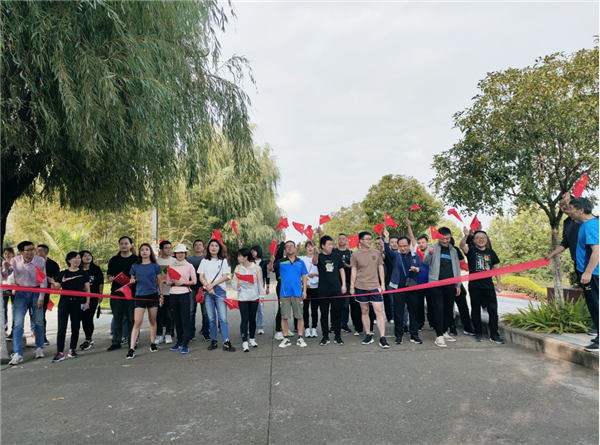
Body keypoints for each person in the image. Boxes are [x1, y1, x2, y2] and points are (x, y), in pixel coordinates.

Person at [3, 241, 47, 365]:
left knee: (39, 321)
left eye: (33, 249)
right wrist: (5, 267)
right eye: (28, 250)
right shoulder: (15, 261)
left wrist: (41, 297)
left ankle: (39, 347)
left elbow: (43, 280)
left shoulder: (40, 261)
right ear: (21, 252)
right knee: (18, 323)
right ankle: (18, 353)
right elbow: (5, 274)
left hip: (36, 291)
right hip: (20, 293)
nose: (31, 252)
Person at [459, 229, 504, 343]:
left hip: (488, 286)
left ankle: (494, 334)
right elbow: (462, 245)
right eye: (478, 238)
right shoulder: (471, 250)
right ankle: (478, 333)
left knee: (493, 310)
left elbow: (496, 269)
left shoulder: (491, 253)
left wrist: (499, 283)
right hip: (475, 286)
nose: (481, 240)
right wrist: (466, 235)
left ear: (486, 240)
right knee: (475, 310)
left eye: (483, 237)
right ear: (474, 240)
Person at [568, 197, 599, 352]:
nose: (569, 212)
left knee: (595, 305)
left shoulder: (589, 226)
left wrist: (587, 272)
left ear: (581, 210)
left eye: (571, 209)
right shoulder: (592, 222)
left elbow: (596, 252)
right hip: (594, 272)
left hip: (592, 273)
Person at [48, 252, 91, 362]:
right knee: (61, 327)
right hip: (64, 302)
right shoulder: (63, 274)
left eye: (78, 258)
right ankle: (60, 352)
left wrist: (87, 302)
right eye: (74, 258)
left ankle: (72, 349)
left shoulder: (83, 273)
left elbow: (87, 289)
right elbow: (57, 287)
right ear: (69, 260)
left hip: (78, 302)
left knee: (75, 327)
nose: (77, 260)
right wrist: (53, 283)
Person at [383, 229, 424, 345]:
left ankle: (414, 334)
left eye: (405, 246)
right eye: (400, 246)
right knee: (398, 311)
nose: (403, 248)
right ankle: (398, 335)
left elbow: (422, 268)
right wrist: (386, 239)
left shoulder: (415, 256)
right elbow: (387, 251)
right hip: (399, 287)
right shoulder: (396, 255)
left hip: (412, 287)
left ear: (409, 245)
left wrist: (417, 269)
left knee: (413, 311)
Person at [422, 227, 461, 348]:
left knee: (448, 309)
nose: (445, 241)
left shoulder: (453, 250)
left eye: (447, 238)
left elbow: (457, 268)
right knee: (438, 308)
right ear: (438, 237)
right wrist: (430, 253)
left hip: (450, 284)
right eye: (442, 238)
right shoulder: (432, 247)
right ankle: (439, 335)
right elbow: (425, 262)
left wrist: (458, 284)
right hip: (436, 284)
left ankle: (444, 332)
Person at [350, 231, 389, 348]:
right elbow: (354, 270)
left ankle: (382, 337)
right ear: (361, 241)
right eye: (367, 239)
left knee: (378, 311)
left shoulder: (376, 252)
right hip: (360, 286)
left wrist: (382, 284)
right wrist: (352, 286)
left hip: (374, 286)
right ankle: (368, 335)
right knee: (364, 310)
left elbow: (380, 267)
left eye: (370, 239)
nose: (370, 241)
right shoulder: (355, 254)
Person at [126, 243, 164, 359]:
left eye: (147, 249)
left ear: (150, 252)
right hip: (139, 296)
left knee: (153, 320)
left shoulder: (155, 265)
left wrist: (161, 295)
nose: (144, 251)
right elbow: (132, 279)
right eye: (142, 249)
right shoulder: (135, 266)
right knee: (137, 322)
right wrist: (132, 281)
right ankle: (131, 348)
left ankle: (152, 343)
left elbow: (159, 281)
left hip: (153, 295)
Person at [199, 239, 235, 352]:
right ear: (208, 248)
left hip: (220, 290)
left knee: (223, 318)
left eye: (216, 246)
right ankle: (214, 340)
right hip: (208, 291)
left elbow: (225, 276)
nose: (214, 247)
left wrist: (212, 285)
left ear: (219, 248)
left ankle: (226, 341)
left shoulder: (223, 261)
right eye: (212, 245)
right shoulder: (204, 261)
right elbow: (201, 277)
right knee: (211, 318)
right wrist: (208, 287)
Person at [271, 240, 308, 348]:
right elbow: (271, 269)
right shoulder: (281, 262)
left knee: (299, 316)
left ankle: (300, 338)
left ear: (295, 248)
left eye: (291, 246)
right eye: (287, 246)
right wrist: (271, 261)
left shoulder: (300, 262)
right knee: (284, 317)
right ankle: (286, 338)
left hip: (297, 293)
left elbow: (304, 277)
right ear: (285, 250)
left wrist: (304, 291)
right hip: (284, 293)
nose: (289, 248)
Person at [312, 235, 346, 345]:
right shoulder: (319, 256)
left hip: (336, 288)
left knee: (337, 313)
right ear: (323, 246)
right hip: (323, 289)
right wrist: (316, 253)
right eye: (329, 244)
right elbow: (314, 262)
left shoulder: (336, 256)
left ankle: (338, 336)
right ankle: (325, 336)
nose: (331, 246)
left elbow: (341, 270)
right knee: (324, 313)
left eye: (332, 244)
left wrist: (343, 285)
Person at [106, 236, 138, 352]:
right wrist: (110, 278)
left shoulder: (136, 259)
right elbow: (109, 273)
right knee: (117, 318)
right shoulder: (114, 259)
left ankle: (131, 341)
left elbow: (140, 274)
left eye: (126, 243)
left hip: (131, 292)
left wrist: (134, 280)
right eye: (121, 243)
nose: (124, 245)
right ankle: (116, 341)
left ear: (130, 245)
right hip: (117, 292)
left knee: (131, 318)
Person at [232, 248, 265, 352]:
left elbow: (260, 282)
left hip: (254, 296)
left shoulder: (256, 268)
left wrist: (262, 295)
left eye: (240, 256)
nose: (238, 258)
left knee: (252, 318)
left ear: (246, 257)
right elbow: (233, 282)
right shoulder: (238, 268)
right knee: (244, 319)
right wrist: (236, 285)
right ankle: (244, 342)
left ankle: (252, 339)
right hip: (242, 297)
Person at [166, 243, 197, 354]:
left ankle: (185, 343)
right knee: (176, 319)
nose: (180, 255)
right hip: (173, 293)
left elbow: (194, 281)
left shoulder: (189, 266)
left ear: (185, 254)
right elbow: (167, 281)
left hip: (184, 293)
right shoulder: (171, 266)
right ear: (175, 254)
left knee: (185, 319)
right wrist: (171, 281)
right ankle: (178, 341)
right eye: (178, 253)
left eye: (182, 253)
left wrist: (182, 282)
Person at [78, 250, 104, 350]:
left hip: (93, 297)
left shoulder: (96, 269)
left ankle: (88, 339)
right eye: (85, 256)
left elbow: (100, 282)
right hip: (80, 298)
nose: (88, 257)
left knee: (88, 317)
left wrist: (100, 294)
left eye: (89, 255)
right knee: (83, 318)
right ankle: (87, 337)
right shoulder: (78, 270)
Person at [334, 234, 358, 335]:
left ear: (346, 241)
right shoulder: (333, 252)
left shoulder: (350, 253)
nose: (341, 240)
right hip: (335, 281)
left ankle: (344, 324)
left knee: (345, 304)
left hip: (347, 282)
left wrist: (348, 266)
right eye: (339, 238)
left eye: (343, 239)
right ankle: (333, 324)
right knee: (335, 304)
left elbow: (355, 266)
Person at [186, 239, 210, 342]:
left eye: (200, 245)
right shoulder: (188, 259)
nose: (198, 246)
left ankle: (205, 332)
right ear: (193, 248)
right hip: (192, 288)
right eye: (196, 245)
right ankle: (191, 333)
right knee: (191, 312)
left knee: (206, 312)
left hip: (204, 288)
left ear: (203, 247)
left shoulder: (208, 259)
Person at [37, 245, 60, 345]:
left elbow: (57, 280)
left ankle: (42, 336)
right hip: (31, 291)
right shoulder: (33, 262)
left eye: (39, 251)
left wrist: (53, 282)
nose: (36, 253)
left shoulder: (53, 265)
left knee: (41, 315)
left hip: (44, 292)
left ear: (45, 253)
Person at [156, 240, 175, 345]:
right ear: (161, 250)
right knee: (158, 314)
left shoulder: (174, 261)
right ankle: (159, 334)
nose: (169, 250)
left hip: (171, 292)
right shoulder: (156, 261)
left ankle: (169, 333)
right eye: (166, 248)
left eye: (170, 248)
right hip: (158, 292)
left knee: (169, 314)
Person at [300, 241, 320, 338]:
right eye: (308, 247)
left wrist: (315, 274)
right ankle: (307, 328)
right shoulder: (302, 259)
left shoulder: (318, 258)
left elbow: (323, 272)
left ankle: (314, 327)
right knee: (305, 308)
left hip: (316, 286)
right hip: (305, 286)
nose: (310, 248)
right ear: (305, 248)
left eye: (312, 246)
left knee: (314, 309)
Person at [251, 245, 270, 335]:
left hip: (260, 288)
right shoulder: (250, 262)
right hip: (251, 288)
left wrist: (267, 287)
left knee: (260, 309)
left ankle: (260, 326)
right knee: (250, 310)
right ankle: (250, 327)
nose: (252, 252)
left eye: (254, 251)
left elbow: (267, 275)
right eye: (251, 251)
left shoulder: (264, 262)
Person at [2, 247, 15, 338]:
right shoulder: (2, 263)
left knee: (15, 310)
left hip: (14, 287)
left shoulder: (16, 262)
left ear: (13, 254)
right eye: (5, 253)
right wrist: (5, 269)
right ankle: (4, 329)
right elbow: (3, 275)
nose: (7, 255)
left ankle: (15, 330)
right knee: (3, 309)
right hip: (4, 288)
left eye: (9, 253)